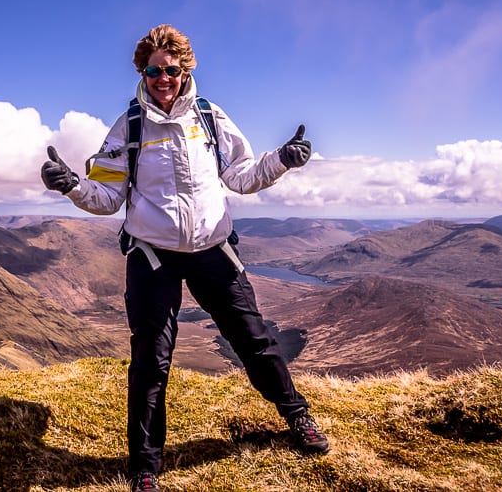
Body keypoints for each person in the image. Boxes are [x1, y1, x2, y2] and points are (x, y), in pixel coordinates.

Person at [41, 24, 328, 492]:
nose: (162, 77)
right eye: (153, 69)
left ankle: (298, 418)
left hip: (213, 249)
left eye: (171, 68)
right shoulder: (129, 125)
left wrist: (282, 160)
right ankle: (146, 467)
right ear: (143, 71)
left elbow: (240, 174)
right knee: (151, 361)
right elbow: (107, 197)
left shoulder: (211, 118)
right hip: (153, 257)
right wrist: (72, 184)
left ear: (184, 69)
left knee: (254, 339)